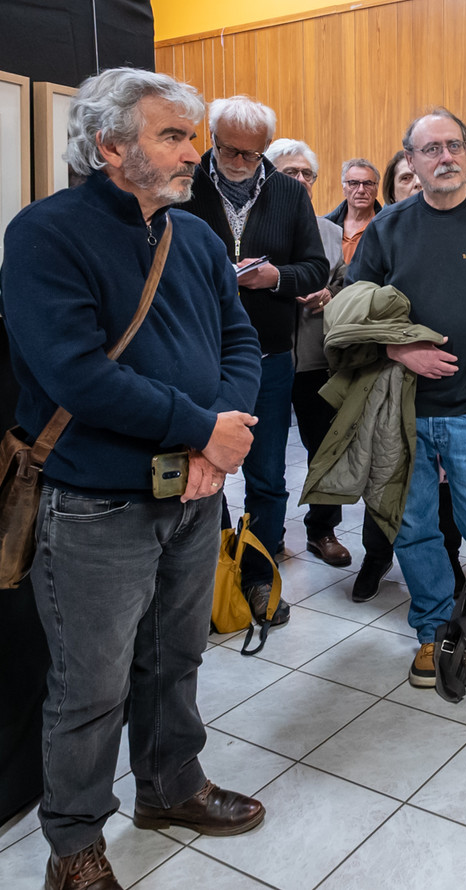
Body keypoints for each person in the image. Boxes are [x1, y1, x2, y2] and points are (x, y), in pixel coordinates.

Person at [0, 68, 267, 890]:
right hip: (94, 505)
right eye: (174, 137)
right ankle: (75, 844)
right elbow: (75, 374)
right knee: (90, 688)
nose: (196, 155)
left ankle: (171, 787)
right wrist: (201, 431)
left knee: (176, 657)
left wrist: (215, 448)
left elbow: (241, 344)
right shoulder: (47, 234)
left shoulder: (195, 237)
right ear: (111, 146)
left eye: (192, 137)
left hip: (193, 495)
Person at [347, 107, 466, 688]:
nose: (445, 157)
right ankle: (432, 630)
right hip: (400, 415)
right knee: (415, 531)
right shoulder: (388, 229)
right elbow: (350, 312)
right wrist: (397, 353)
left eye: (454, 145)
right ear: (410, 162)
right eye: (430, 149)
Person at [183, 97, 328, 627]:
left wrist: (276, 279)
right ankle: (209, 570)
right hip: (200, 355)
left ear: (268, 148)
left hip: (270, 355)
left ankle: (259, 573)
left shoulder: (289, 193)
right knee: (206, 467)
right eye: (228, 149)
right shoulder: (185, 182)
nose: (238, 161)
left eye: (251, 153)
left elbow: (316, 268)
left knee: (266, 473)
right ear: (211, 139)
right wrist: (219, 274)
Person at [271, 139, 353, 567]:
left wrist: (329, 293)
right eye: (290, 173)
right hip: (265, 355)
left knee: (325, 448)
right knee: (263, 451)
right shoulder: (255, 226)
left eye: (307, 174)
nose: (301, 181)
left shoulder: (331, 232)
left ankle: (323, 531)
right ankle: (264, 534)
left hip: (316, 360)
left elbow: (343, 283)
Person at [328, 158, 381, 268]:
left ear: (376, 189)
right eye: (354, 183)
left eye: (368, 183)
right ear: (344, 189)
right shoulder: (326, 228)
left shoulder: (387, 227)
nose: (361, 190)